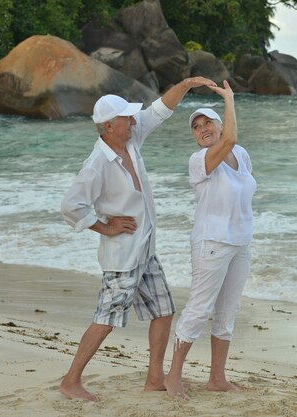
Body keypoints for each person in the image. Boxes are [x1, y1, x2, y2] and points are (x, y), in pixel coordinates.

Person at [59, 76, 217, 402]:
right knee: (106, 320)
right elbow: (71, 207)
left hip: (145, 249)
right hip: (122, 255)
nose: (133, 120)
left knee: (163, 310)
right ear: (108, 126)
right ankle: (71, 380)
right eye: (126, 118)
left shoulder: (131, 138)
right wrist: (105, 227)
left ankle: (154, 378)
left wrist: (187, 83)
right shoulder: (97, 164)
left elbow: (160, 110)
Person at [164, 80, 256, 400]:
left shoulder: (241, 156)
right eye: (196, 126)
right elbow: (230, 139)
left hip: (240, 243)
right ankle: (173, 375)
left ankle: (217, 377)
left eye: (207, 123)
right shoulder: (198, 161)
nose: (202, 129)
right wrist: (229, 98)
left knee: (227, 311)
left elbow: (243, 185)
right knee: (199, 309)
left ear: (217, 125)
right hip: (211, 243)